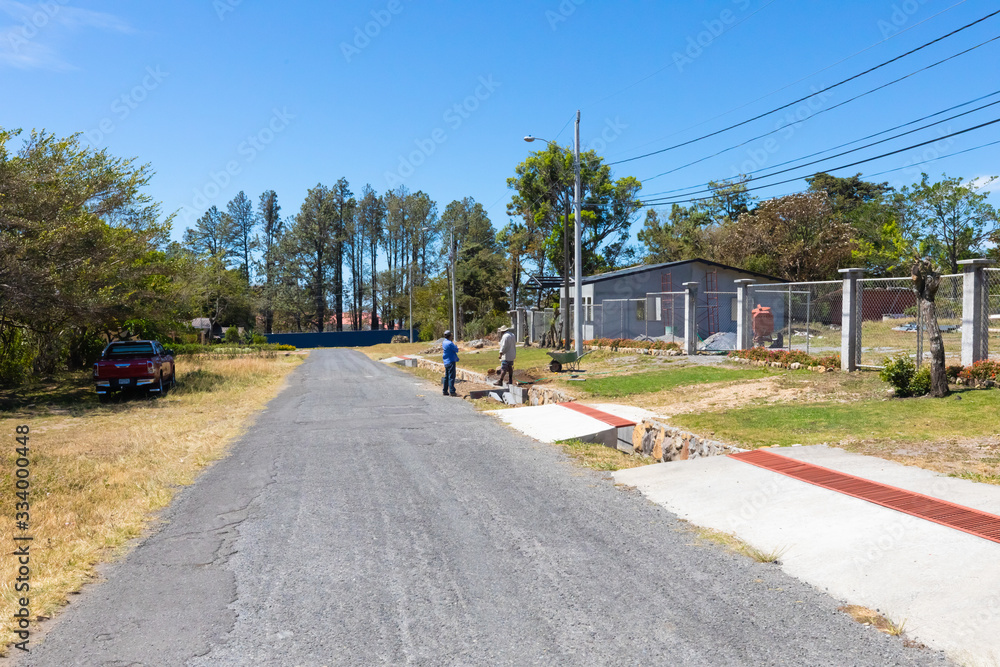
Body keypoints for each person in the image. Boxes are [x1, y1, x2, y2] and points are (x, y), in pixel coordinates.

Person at [441, 330, 459, 397]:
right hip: (451, 360)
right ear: (450, 336)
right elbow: (456, 350)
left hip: (446, 361)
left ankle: (445, 391)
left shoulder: (444, 342)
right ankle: (452, 391)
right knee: (451, 376)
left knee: (446, 376)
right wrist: (456, 346)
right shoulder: (450, 343)